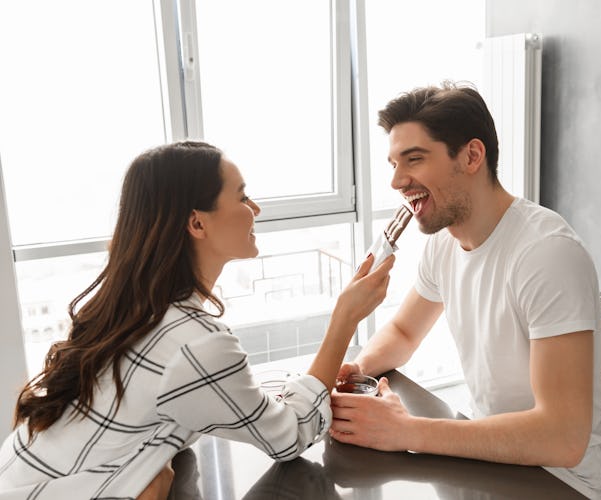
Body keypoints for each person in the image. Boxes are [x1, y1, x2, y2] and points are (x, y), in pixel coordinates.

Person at [0, 141, 394, 499]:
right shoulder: (196, 342)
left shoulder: (131, 305)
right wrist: (345, 319)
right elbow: (288, 436)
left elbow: (197, 402)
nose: (255, 209)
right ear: (197, 223)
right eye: (242, 197)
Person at [329, 82, 601, 500]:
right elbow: (405, 333)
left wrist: (407, 430)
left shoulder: (547, 254)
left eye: (414, 159)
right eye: (393, 163)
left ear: (471, 156)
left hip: (561, 481)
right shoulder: (444, 244)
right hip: (491, 458)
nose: (395, 180)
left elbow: (563, 438)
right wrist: (359, 369)